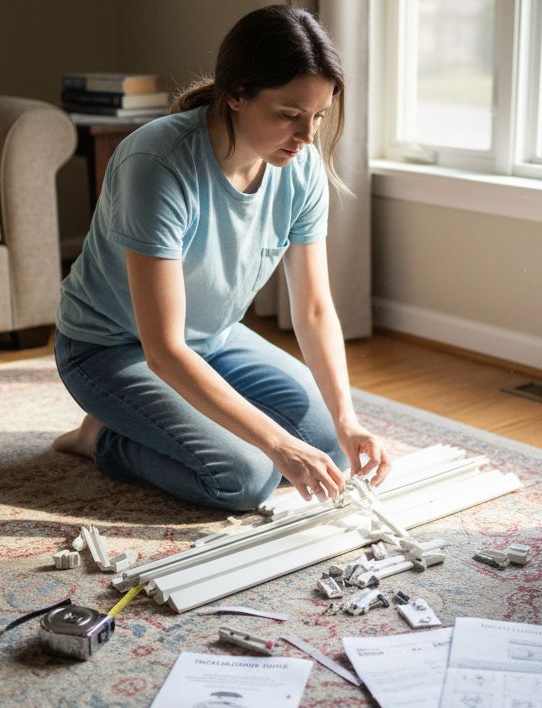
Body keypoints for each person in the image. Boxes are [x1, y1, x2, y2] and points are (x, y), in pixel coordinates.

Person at [51, 5, 389, 511]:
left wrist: (348, 421)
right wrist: (275, 444)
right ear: (235, 95)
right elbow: (163, 349)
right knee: (244, 476)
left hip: (213, 339)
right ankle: (102, 437)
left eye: (318, 116)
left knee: (326, 450)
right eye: (288, 115)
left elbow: (315, 309)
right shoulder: (156, 165)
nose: (306, 137)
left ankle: (148, 420)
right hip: (110, 347)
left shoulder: (300, 169)